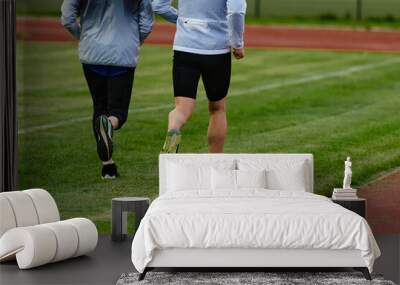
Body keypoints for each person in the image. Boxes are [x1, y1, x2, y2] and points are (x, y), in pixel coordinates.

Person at [61, 0, 153, 179]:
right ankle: (110, 125)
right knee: (118, 112)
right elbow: (146, 22)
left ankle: (107, 166)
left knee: (99, 107)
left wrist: (84, 35)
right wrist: (134, 40)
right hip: (123, 52)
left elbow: (67, 17)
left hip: (92, 52)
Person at [153, 0, 246, 153]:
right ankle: (215, 161)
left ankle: (173, 130)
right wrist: (237, 43)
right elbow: (236, 10)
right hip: (216, 50)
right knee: (217, 109)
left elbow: (157, 5)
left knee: (181, 109)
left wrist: (183, 21)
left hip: (184, 46)